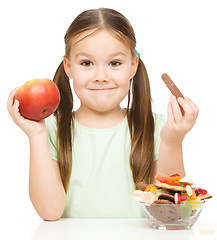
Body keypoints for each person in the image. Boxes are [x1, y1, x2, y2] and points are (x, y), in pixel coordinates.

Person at [7, 8, 199, 221]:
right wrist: (36, 136)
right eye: (86, 63)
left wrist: (173, 141)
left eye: (114, 63)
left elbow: (169, 214)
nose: (100, 76)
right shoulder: (50, 129)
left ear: (133, 66)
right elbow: (50, 213)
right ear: (69, 67)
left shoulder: (156, 127)